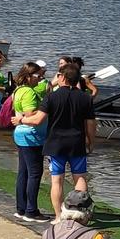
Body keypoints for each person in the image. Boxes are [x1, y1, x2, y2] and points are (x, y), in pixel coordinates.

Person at [42, 56, 98, 212]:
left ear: (63, 78)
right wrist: (91, 141)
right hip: (76, 142)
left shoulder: (51, 97)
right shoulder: (85, 98)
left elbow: (40, 118)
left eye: (59, 75)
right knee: (80, 177)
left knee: (57, 181)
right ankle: (80, 212)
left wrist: (21, 119)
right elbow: (91, 123)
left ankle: (59, 215)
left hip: (55, 143)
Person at [9, 61, 48, 220]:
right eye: (38, 76)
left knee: (23, 172)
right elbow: (30, 113)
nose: (40, 78)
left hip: (22, 134)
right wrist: (46, 108)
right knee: (35, 173)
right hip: (31, 135)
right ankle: (31, 210)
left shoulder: (18, 90)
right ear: (28, 76)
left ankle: (21, 208)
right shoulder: (29, 93)